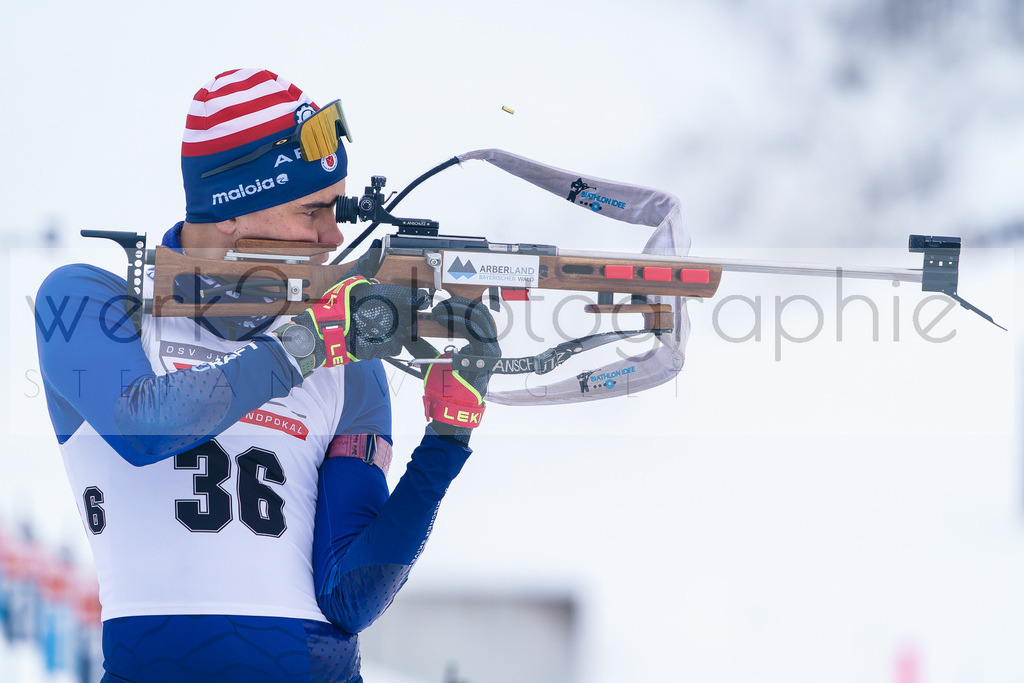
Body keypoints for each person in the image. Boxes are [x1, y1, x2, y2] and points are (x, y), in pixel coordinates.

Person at [34, 68, 499, 683]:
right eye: (316, 210)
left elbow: (349, 597)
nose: (334, 236)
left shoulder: (345, 359)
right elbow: (143, 427)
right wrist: (305, 344)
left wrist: (447, 438)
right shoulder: (93, 301)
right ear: (234, 210)